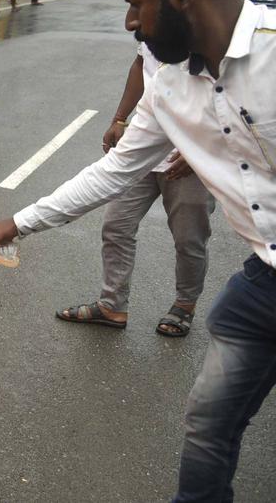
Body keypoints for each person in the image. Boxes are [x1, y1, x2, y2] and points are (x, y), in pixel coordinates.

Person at [0, 0, 276, 502]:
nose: (129, 21)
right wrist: (19, 222)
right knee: (209, 424)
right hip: (264, 279)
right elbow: (113, 171)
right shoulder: (167, 85)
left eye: (138, 4)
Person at [56, 42, 215, 336]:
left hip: (189, 158)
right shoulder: (154, 19)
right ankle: (112, 305)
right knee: (116, 225)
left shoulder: (207, 26)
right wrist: (120, 118)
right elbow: (141, 65)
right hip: (143, 152)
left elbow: (230, 95)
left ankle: (184, 305)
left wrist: (203, 148)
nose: (133, 17)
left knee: (189, 239)